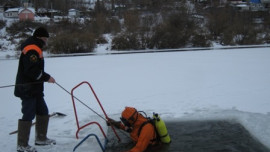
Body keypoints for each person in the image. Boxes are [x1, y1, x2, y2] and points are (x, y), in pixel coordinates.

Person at [14, 27, 56, 152]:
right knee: (28, 113)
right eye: (45, 39)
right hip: (27, 88)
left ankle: (41, 138)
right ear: (40, 38)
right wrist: (46, 77)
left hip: (35, 88)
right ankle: (22, 145)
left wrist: (44, 78)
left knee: (43, 111)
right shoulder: (32, 48)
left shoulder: (36, 47)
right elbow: (31, 71)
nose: (46, 42)